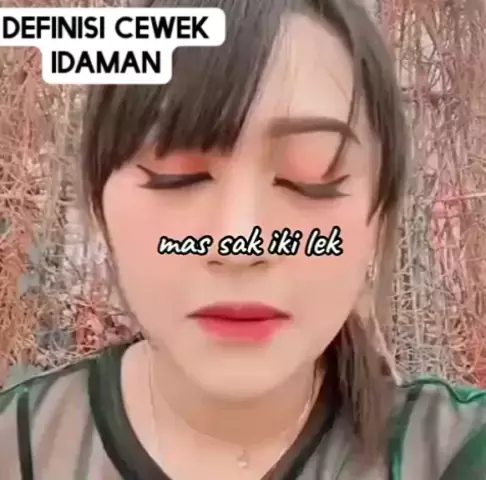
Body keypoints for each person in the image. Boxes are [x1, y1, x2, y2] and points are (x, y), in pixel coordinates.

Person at [1, 0, 485, 478]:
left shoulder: (451, 452)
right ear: (99, 204)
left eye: (309, 178)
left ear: (377, 214)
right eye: (178, 177)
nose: (239, 243)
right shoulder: (20, 448)